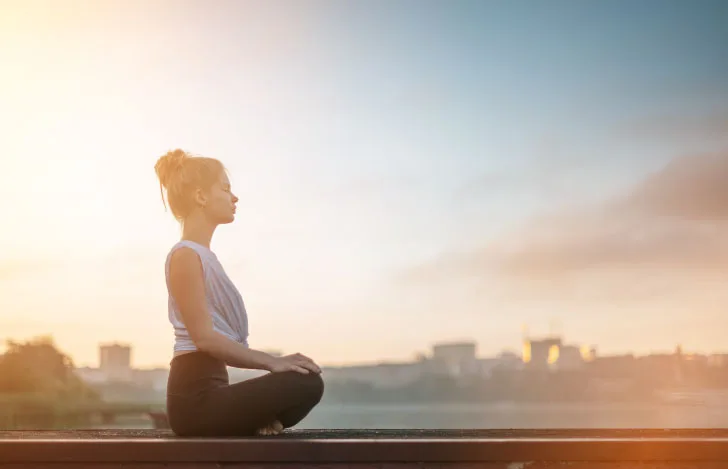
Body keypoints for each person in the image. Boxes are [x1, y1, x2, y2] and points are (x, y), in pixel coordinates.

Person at [154, 148, 324, 437]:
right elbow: (204, 338)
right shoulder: (184, 256)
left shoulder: (203, 256)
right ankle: (254, 421)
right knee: (303, 382)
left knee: (309, 379)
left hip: (213, 391)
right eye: (225, 188)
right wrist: (273, 362)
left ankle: (254, 421)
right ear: (200, 196)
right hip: (193, 404)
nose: (234, 198)